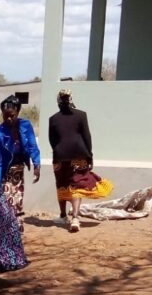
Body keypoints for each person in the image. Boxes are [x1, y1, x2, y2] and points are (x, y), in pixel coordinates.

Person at [48, 88, 113, 232]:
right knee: (76, 184)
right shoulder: (81, 115)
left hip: (60, 156)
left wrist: (59, 150)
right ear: (71, 99)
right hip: (79, 155)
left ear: (58, 101)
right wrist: (89, 155)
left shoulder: (53, 119)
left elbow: (52, 140)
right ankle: (76, 218)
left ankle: (63, 215)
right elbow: (87, 137)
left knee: (62, 184)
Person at [0, 94, 41, 230]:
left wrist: (36, 164)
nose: (9, 118)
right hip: (1, 167)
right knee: (4, 194)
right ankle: (7, 224)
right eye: (6, 116)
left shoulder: (26, 126)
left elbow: (32, 146)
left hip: (17, 166)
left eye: (12, 115)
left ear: (17, 112)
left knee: (17, 194)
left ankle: (16, 222)